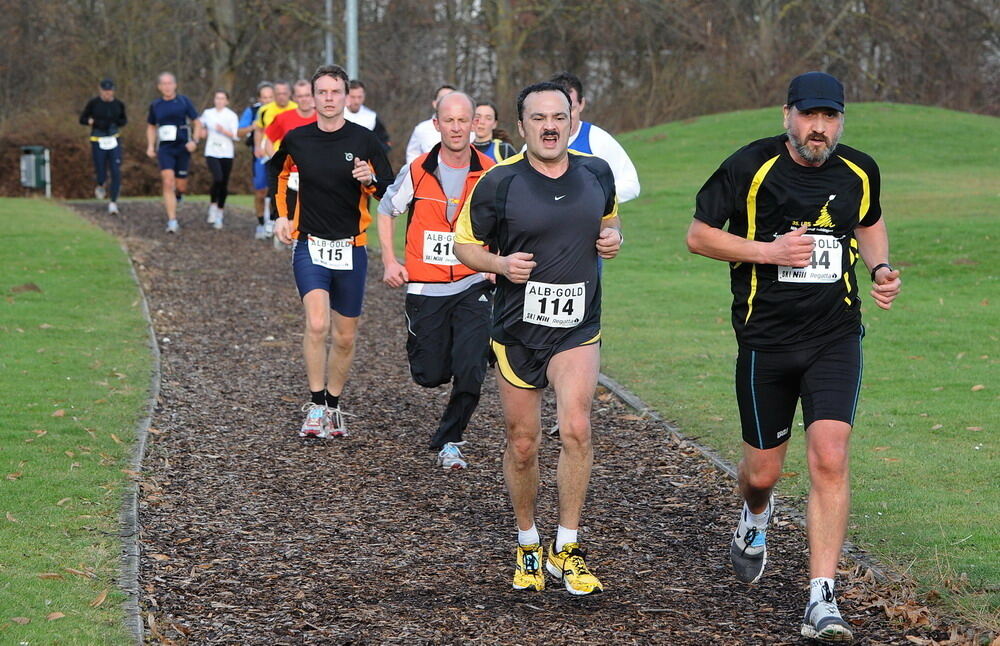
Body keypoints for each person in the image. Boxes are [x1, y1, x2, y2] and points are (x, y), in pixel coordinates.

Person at [685, 71, 902, 643]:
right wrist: (766, 250)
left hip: (835, 335)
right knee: (763, 472)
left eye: (830, 117)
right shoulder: (750, 167)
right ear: (788, 115)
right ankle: (756, 514)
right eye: (810, 116)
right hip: (766, 340)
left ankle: (821, 599)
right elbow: (699, 235)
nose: (819, 128)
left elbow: (870, 220)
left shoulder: (858, 168)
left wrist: (879, 268)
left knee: (830, 455)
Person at [454, 82, 622, 596]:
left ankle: (566, 546)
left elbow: (610, 223)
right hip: (518, 330)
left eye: (559, 116)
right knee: (523, 444)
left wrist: (612, 239)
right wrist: (500, 263)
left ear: (572, 121)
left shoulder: (596, 172)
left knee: (576, 428)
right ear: (521, 126)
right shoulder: (497, 183)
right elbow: (464, 247)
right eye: (538, 118)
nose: (550, 126)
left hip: (577, 327)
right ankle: (528, 541)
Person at [268, 64, 393, 439]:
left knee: (344, 336)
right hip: (309, 244)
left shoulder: (365, 139)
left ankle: (335, 406)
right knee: (317, 324)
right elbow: (277, 174)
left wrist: (369, 180)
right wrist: (281, 215)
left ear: (345, 96)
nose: (327, 99)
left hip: (351, 248)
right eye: (321, 92)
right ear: (312, 96)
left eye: (334, 92)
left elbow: (387, 189)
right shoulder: (296, 139)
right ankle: (316, 404)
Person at [377, 91, 495, 470]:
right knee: (428, 374)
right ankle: (450, 361)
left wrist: (496, 262)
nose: (457, 127)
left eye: (464, 120)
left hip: (473, 281)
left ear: (474, 124)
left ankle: (451, 438)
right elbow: (386, 209)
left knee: (471, 363)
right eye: (450, 120)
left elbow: (509, 220)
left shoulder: (491, 171)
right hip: (426, 286)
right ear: (437, 124)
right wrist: (390, 260)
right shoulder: (417, 170)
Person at [549, 72, 640, 203]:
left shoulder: (599, 141)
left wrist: (592, 195)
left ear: (582, 104)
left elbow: (631, 185)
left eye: (571, 109)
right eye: (559, 110)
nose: (565, 115)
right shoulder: (533, 146)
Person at [265, 80, 318, 250]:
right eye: (300, 96)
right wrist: (277, 163)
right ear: (294, 97)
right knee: (289, 214)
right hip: (290, 175)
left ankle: (307, 245)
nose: (304, 99)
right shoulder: (283, 118)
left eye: (307, 95)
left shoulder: (323, 118)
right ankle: (286, 235)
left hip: (315, 175)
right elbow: (268, 141)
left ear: (314, 96)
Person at [146, 72, 200, 233]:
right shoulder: (156, 105)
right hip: (165, 148)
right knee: (168, 181)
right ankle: (172, 220)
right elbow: (151, 126)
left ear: (175, 85)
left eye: (170, 83)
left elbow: (197, 122)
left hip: (183, 147)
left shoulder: (184, 102)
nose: (167, 87)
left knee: (180, 184)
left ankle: (179, 194)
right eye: (164, 84)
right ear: (159, 87)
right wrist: (150, 145)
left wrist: (195, 141)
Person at [256, 80, 297, 238]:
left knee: (291, 191)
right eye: (278, 94)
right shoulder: (266, 110)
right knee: (272, 188)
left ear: (289, 94)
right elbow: (260, 130)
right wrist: (258, 146)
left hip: (293, 157)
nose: (281, 97)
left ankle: (291, 223)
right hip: (271, 154)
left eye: (284, 93)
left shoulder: (296, 108)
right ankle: (271, 220)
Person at [79, 79, 127, 215]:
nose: (107, 93)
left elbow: (124, 120)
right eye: (105, 91)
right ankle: (101, 184)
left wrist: (116, 123)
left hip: (113, 139)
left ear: (113, 91)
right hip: (98, 139)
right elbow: (82, 119)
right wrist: (90, 121)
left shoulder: (119, 104)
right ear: (100, 91)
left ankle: (113, 202)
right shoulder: (93, 104)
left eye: (109, 91)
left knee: (116, 170)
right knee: (101, 169)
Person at [196, 90, 240, 229]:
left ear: (227, 101)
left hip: (226, 153)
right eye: (217, 98)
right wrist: (201, 131)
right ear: (214, 100)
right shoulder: (208, 113)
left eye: (222, 99)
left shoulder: (231, 115)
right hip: (211, 152)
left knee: (224, 183)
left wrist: (223, 131)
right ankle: (212, 206)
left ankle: (220, 213)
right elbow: (199, 123)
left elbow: (235, 135)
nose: (219, 101)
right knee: (218, 178)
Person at [238, 82, 274, 239]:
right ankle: (260, 223)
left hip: (276, 155)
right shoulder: (252, 111)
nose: (267, 100)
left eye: (270, 97)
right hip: (259, 155)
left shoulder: (282, 111)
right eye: (264, 97)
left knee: (276, 191)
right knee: (260, 192)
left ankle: (272, 222)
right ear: (259, 98)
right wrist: (252, 127)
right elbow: (239, 132)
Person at [404, 84, 457, 164]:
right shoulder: (422, 129)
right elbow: (412, 155)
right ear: (434, 103)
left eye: (450, 98)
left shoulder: (468, 129)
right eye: (442, 98)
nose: (446, 102)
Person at [344, 79, 392, 154]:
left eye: (359, 97)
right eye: (352, 97)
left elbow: (383, 142)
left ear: (364, 96)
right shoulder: (337, 114)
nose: (356, 101)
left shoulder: (371, 117)